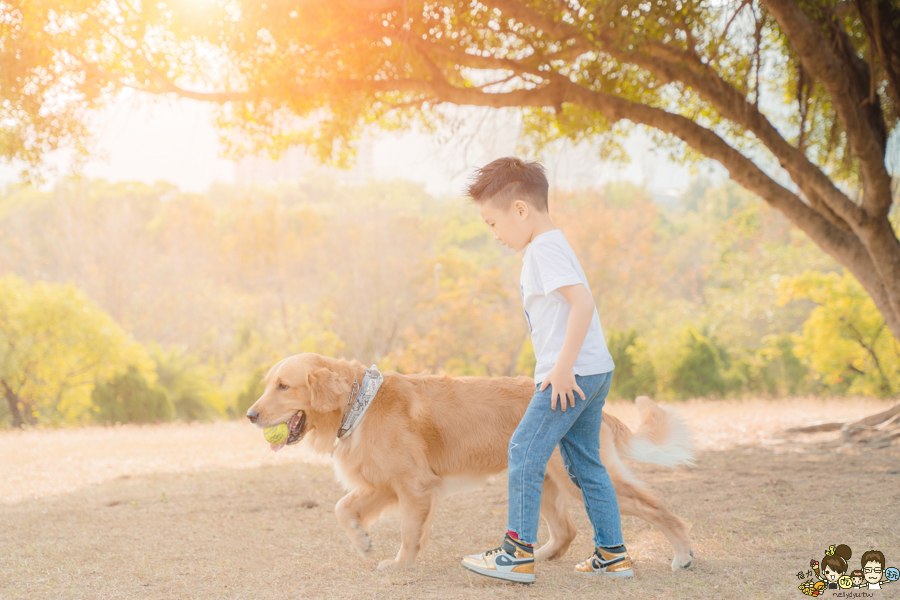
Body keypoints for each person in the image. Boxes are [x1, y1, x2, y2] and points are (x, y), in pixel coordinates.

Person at [459, 157, 629, 584]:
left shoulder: (542, 249)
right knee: (586, 463)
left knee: (522, 450)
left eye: (493, 224)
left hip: (571, 375)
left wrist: (562, 368)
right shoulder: (552, 244)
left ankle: (516, 553)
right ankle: (612, 554)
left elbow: (583, 303)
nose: (495, 235)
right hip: (593, 371)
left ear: (520, 210)